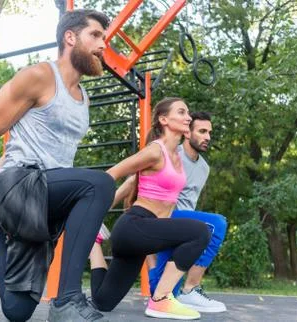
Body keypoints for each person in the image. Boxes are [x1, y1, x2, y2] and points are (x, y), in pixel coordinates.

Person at [0, 10, 115, 322]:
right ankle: (67, 300)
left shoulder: (84, 99)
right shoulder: (39, 76)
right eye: (95, 35)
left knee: (17, 311)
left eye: (104, 38)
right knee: (101, 184)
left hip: (46, 200)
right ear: (70, 37)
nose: (102, 45)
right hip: (18, 184)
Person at [88, 97, 210, 320]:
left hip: (141, 236)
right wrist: (92, 211)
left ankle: (94, 241)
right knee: (201, 232)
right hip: (135, 225)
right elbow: (113, 174)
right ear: (164, 119)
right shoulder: (156, 151)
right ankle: (161, 299)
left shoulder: (177, 157)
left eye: (188, 113)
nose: (188, 117)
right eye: (182, 112)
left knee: (103, 301)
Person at [147, 111, 228, 313]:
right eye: (202, 131)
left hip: (183, 228)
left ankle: (182, 291)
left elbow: (189, 204)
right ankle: (190, 290)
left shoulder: (204, 168)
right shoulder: (171, 155)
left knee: (164, 294)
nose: (207, 137)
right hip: (163, 220)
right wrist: (149, 249)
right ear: (187, 133)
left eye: (209, 132)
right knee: (217, 224)